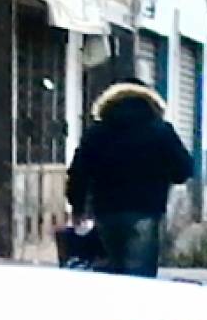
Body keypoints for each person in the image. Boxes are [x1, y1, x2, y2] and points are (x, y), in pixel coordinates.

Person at [66, 80, 195, 279]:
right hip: (146, 211)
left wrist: (77, 207)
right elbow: (184, 170)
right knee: (140, 276)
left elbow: (79, 173)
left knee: (109, 271)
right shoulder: (161, 131)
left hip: (106, 212)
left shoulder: (96, 133)